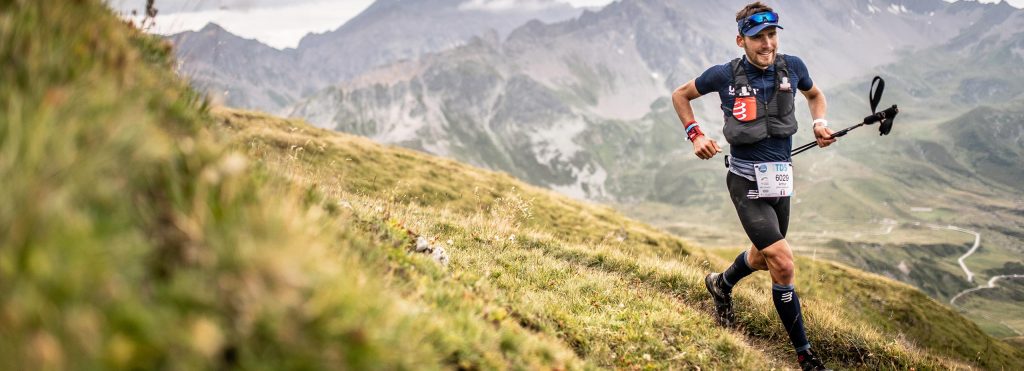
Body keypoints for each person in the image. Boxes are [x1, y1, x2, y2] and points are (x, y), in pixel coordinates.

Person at [670, 2, 833, 370]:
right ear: (741, 39)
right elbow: (680, 95)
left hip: (780, 179)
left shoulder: (794, 67)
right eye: (758, 37)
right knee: (783, 262)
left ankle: (721, 283)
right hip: (745, 180)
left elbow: (815, 96)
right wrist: (695, 134)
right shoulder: (723, 75)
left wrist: (820, 124)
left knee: (763, 257)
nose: (767, 44)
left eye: (772, 35)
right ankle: (805, 356)